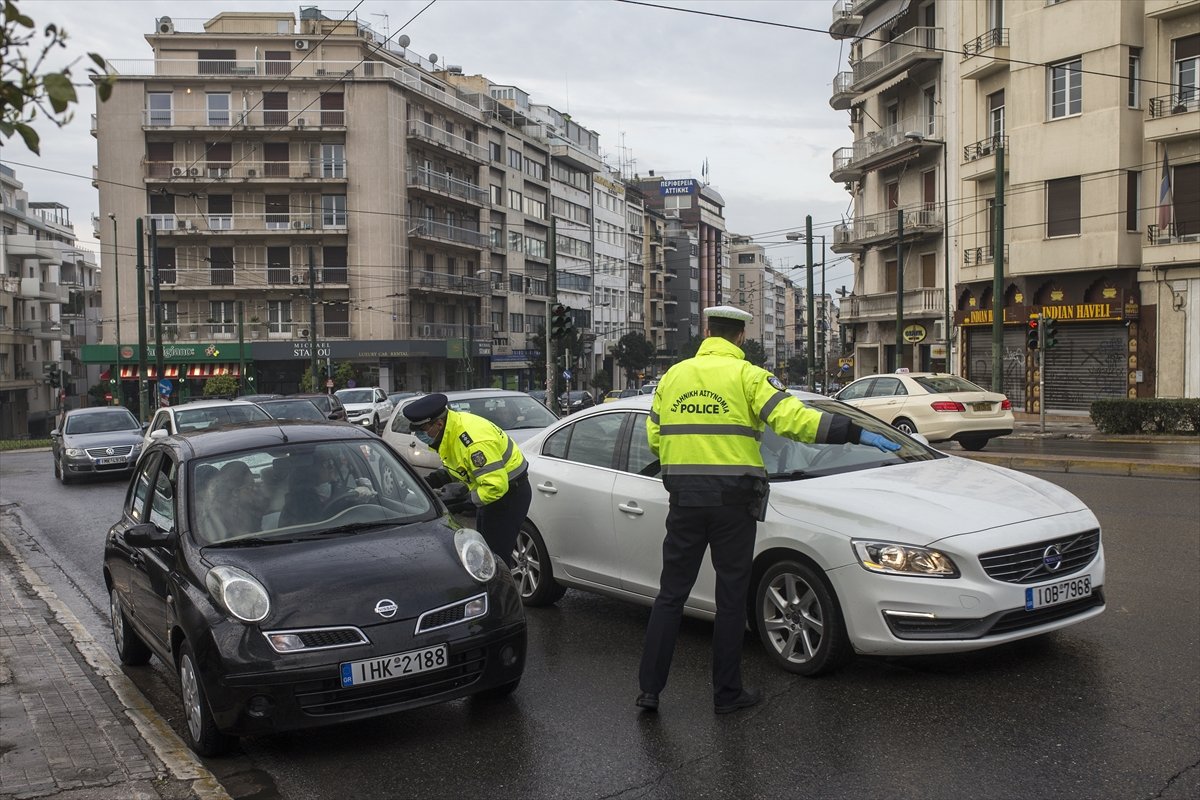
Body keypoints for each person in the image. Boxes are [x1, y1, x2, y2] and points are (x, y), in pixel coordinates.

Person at [636, 305, 900, 715]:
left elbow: (655, 437)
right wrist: (855, 432)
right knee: (730, 599)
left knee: (670, 595)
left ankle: (649, 691)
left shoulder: (673, 377)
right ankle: (726, 694)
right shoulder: (749, 377)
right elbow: (797, 422)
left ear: (707, 331)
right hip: (734, 505)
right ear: (740, 336)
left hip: (685, 501)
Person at [402, 393, 531, 567]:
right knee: (486, 550)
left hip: (508, 496)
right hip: (492, 495)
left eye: (422, 430)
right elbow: (459, 467)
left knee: (496, 558)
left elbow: (495, 486)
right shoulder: (450, 430)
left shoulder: (473, 440)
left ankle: (503, 592)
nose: (419, 435)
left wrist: (467, 501)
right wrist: (429, 481)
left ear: (438, 424)